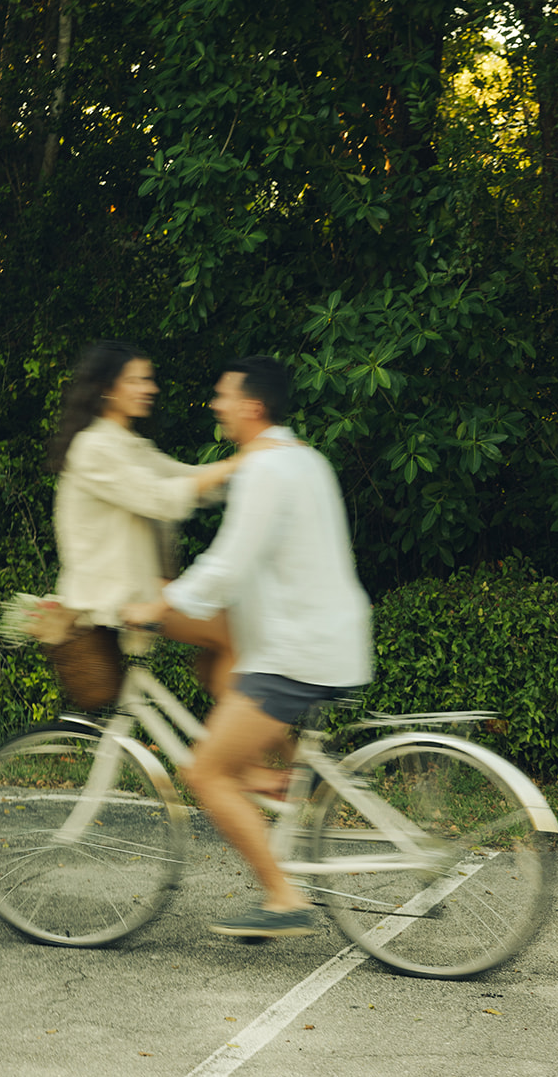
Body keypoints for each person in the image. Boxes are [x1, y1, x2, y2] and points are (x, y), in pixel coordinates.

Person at [122, 354, 372, 940]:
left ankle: (284, 898)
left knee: (205, 772)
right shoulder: (303, 459)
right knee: (219, 676)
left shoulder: (266, 471)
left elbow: (230, 563)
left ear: (252, 406)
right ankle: (271, 782)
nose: (216, 404)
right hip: (324, 639)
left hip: (296, 653)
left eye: (223, 396)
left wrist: (161, 604)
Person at [49, 341, 239, 693]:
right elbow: (162, 498)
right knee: (234, 633)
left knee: (231, 639)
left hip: (140, 586)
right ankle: (233, 744)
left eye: (148, 380)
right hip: (117, 594)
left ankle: (231, 737)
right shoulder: (94, 448)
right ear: (107, 389)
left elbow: (189, 480)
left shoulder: (127, 444)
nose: (150, 388)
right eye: (137, 380)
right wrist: (240, 462)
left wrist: (252, 468)